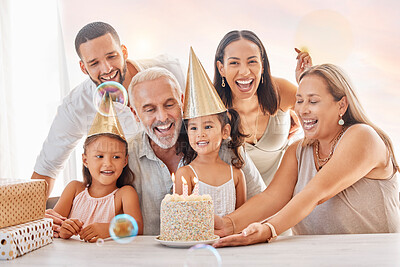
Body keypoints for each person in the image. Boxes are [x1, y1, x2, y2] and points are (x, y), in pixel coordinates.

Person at [213, 64, 400, 248]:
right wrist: (227, 224)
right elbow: (271, 198)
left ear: (342, 105)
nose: (302, 110)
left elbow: (315, 193)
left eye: (313, 101)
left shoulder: (362, 136)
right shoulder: (297, 151)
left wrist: (269, 229)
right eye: (299, 101)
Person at [31, 21, 185, 197]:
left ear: (124, 52)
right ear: (83, 67)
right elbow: (48, 167)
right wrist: (28, 219)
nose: (107, 69)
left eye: (112, 56)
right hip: (127, 203)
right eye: (94, 63)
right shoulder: (76, 106)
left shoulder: (171, 71)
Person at [127, 66, 266, 235]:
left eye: (169, 104)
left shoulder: (223, 146)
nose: (162, 117)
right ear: (135, 114)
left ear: (182, 102)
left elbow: (261, 203)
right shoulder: (126, 155)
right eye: (150, 110)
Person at [214, 30, 311, 186]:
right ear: (221, 68)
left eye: (252, 61)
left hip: (284, 195)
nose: (244, 71)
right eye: (234, 63)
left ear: (263, 65)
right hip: (237, 202)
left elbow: (322, 114)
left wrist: (306, 80)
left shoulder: (280, 91)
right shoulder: (211, 107)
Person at [53, 96, 143, 242]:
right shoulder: (74, 189)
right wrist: (63, 229)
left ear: (125, 161)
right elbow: (52, 224)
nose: (108, 163)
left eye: (116, 157)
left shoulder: (124, 194)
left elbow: (137, 227)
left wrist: (109, 229)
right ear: (85, 160)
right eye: (99, 156)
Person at [174, 48, 246, 216]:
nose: (200, 134)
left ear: (225, 131)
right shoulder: (185, 175)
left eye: (208, 126)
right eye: (193, 128)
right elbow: (180, 221)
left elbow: (242, 217)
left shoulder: (236, 175)